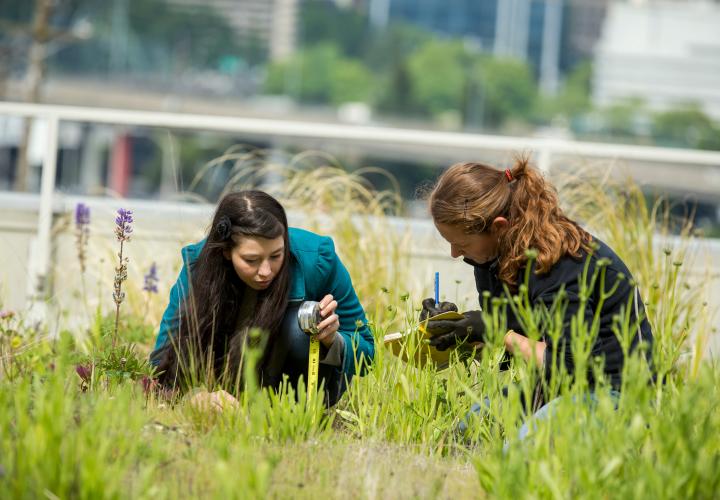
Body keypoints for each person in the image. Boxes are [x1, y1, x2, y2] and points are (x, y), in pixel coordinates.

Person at [420, 157, 654, 424]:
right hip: (555, 390)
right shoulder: (491, 258)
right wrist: (454, 331)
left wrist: (496, 330)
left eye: (461, 244)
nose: (454, 254)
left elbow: (571, 367)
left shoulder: (561, 261)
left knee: (523, 448)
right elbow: (512, 349)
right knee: (469, 429)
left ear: (498, 227)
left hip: (615, 394)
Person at [150, 190, 374, 406]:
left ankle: (286, 415)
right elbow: (161, 360)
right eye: (251, 260)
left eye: (276, 255)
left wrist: (332, 341)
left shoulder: (318, 259)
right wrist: (195, 397)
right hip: (223, 385)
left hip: (298, 392)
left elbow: (367, 353)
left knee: (297, 329)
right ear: (226, 252)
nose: (266, 271)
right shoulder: (198, 266)